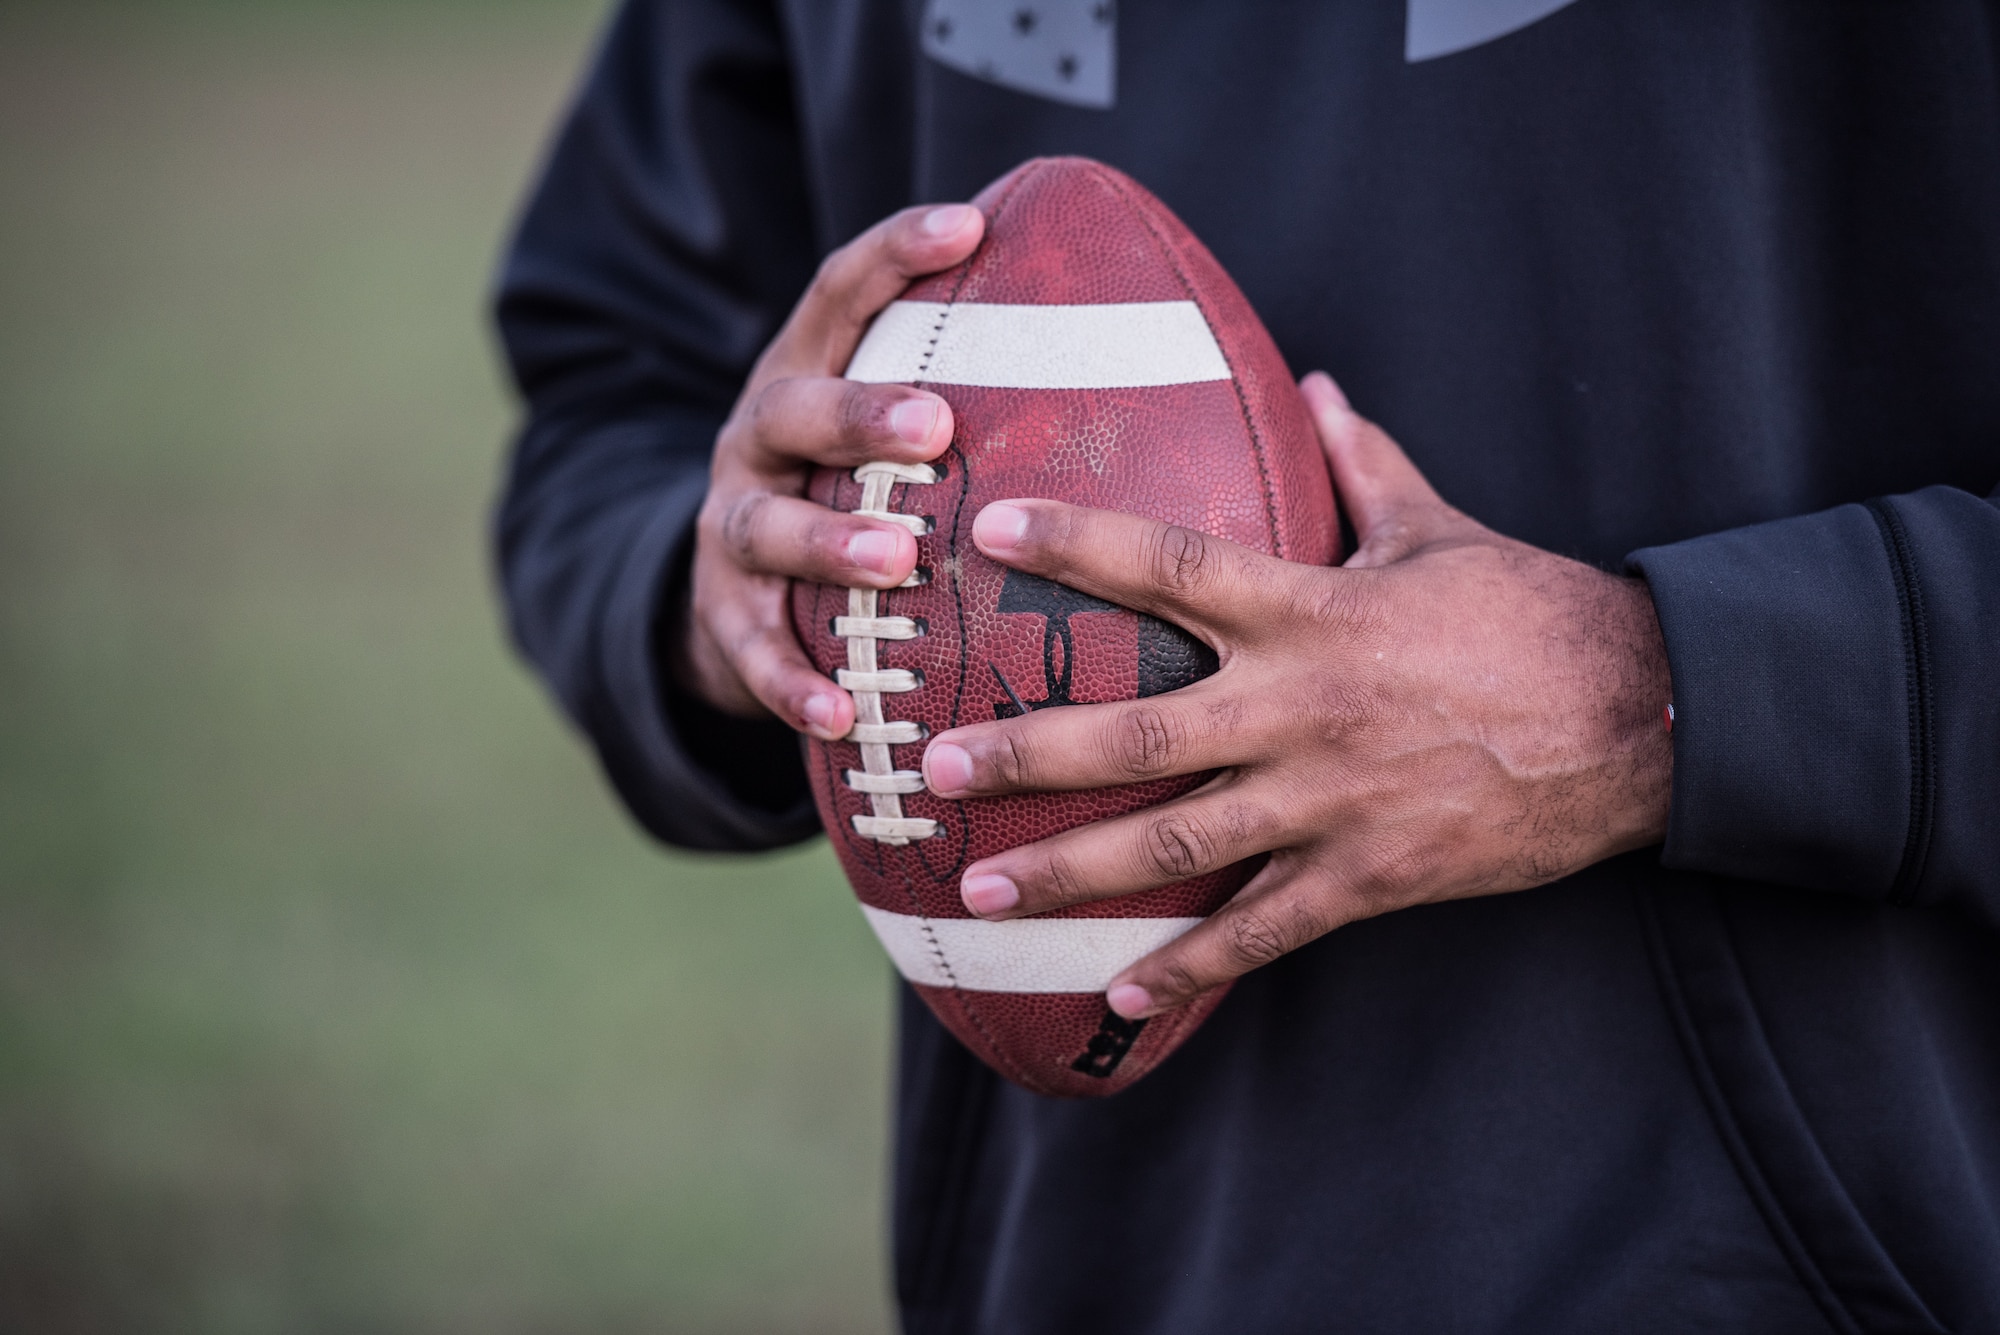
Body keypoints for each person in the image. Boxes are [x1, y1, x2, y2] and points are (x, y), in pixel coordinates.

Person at [493, 3, 2000, 1330]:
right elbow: (614, 387)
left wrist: (1680, 692)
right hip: (1088, 1258)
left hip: (1803, 1255)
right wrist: (723, 584)